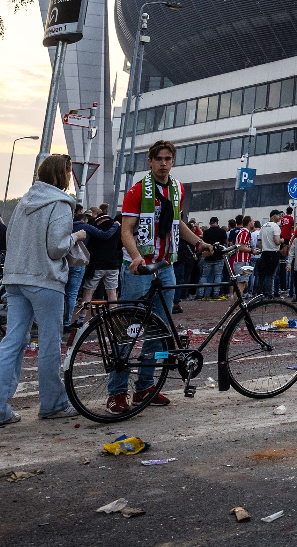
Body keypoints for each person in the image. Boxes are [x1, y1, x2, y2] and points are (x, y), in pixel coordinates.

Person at [112, 139, 217, 415]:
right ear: (149, 161)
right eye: (158, 158)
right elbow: (126, 230)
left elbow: (176, 223)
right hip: (140, 267)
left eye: (167, 158)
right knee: (128, 330)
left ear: (173, 161)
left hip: (166, 265)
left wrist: (197, 243)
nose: (163, 163)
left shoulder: (177, 189)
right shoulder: (137, 191)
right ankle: (116, 392)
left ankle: (145, 387)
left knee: (159, 331)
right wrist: (135, 256)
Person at [0, 154, 81, 427]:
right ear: (64, 175)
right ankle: (53, 403)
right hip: (45, 280)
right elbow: (56, 247)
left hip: (15, 278)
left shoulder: (23, 202)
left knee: (12, 342)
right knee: (49, 342)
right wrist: (77, 236)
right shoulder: (60, 204)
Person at [253, 211, 284, 296]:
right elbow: (277, 241)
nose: (280, 218)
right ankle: (269, 294)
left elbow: (259, 241)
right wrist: (282, 240)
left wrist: (263, 248)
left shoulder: (263, 226)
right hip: (274, 252)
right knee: (271, 275)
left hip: (265, 253)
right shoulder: (276, 227)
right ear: (273, 216)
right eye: (278, 216)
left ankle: (259, 293)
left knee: (262, 275)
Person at [199, 217, 229, 299]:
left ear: (210, 223)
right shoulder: (222, 231)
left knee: (204, 276)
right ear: (217, 222)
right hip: (219, 256)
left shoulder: (206, 232)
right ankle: (216, 293)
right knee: (218, 275)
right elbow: (225, 242)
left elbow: (203, 243)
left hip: (208, 256)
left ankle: (200, 293)